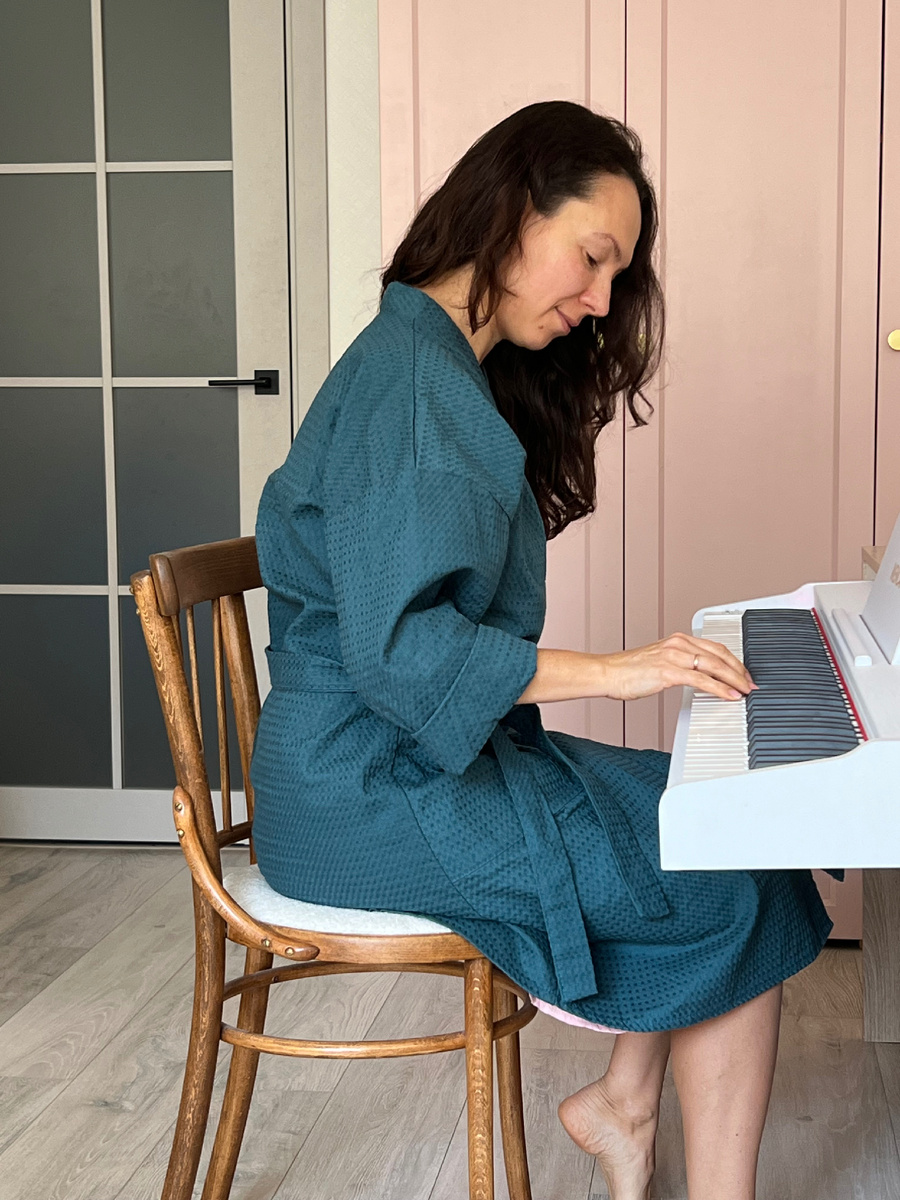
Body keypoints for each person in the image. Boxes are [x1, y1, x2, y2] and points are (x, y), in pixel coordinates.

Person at [250, 100, 837, 1200]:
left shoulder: (435, 367)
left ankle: (623, 1107)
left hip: (390, 766)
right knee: (728, 871)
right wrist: (620, 670)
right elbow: (405, 655)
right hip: (363, 794)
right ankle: (662, 1141)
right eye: (594, 257)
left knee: (724, 825)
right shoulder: (412, 387)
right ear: (514, 212)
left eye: (619, 275)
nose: (602, 300)